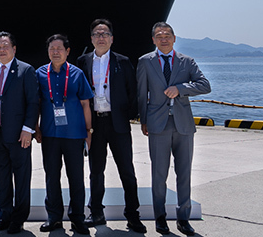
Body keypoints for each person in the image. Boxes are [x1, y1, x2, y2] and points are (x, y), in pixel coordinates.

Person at [137, 23, 211, 237]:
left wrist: (180, 89)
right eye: (159, 36)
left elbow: (205, 85)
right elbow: (142, 94)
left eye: (167, 35)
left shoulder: (186, 62)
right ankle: (160, 217)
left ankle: (183, 218)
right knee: (159, 173)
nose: (163, 39)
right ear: (153, 40)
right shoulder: (145, 61)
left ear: (174, 38)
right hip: (157, 123)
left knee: (184, 173)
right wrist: (143, 119)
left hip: (183, 124)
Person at [77, 20, 146, 233]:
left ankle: (133, 215)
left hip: (118, 123)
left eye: (105, 33)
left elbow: (132, 91)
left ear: (112, 38)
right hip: (94, 124)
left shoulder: (123, 62)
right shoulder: (83, 61)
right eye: (97, 34)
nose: (101, 37)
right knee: (96, 171)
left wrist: (128, 116)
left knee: (127, 170)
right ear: (91, 38)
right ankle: (96, 212)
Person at [36, 34, 92, 236]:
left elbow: (86, 104)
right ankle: (54, 216)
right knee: (52, 176)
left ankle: (77, 217)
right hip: (50, 134)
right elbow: (36, 104)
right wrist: (36, 127)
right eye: (52, 48)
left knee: (76, 177)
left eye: (59, 48)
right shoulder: (40, 73)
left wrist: (89, 132)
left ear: (67, 51)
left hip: (75, 134)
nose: (55, 52)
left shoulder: (77, 74)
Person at [0, 31, 38, 234]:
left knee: (22, 177)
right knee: (2, 177)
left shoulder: (25, 70)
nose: (2, 50)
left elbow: (33, 102)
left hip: (19, 135)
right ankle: (4, 216)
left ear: (14, 49)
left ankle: (19, 219)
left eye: (5, 46)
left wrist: (28, 130)